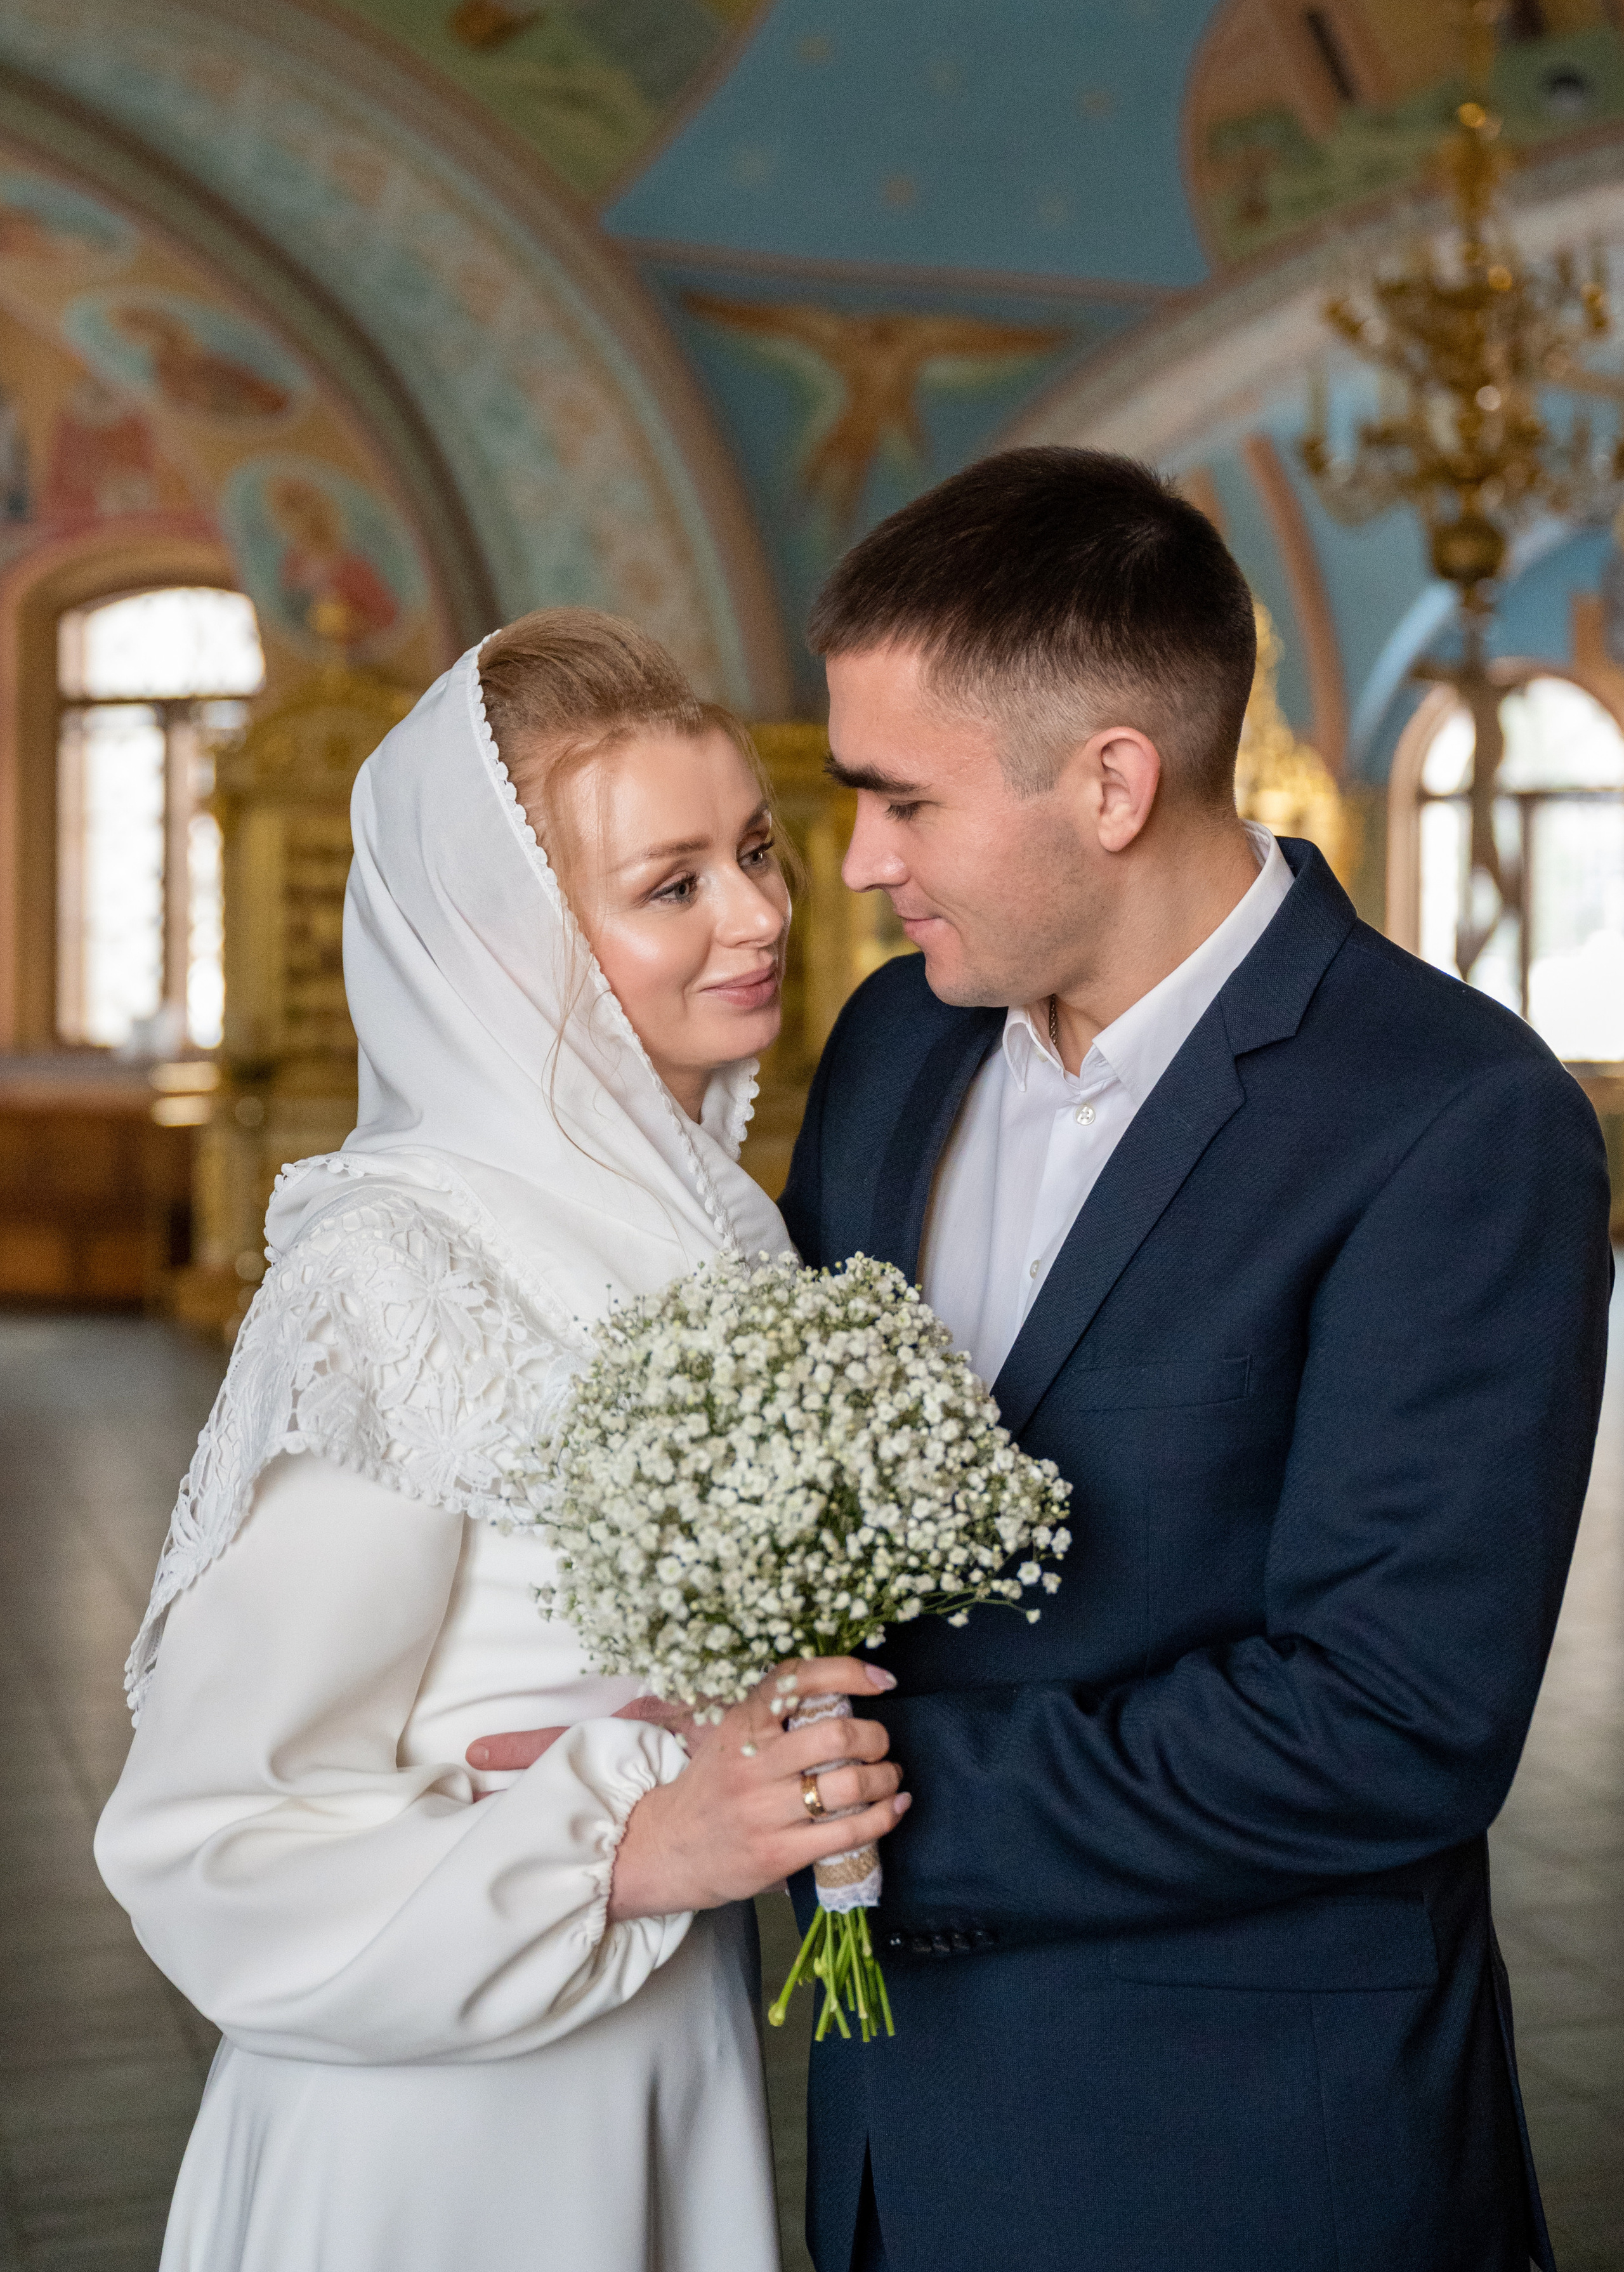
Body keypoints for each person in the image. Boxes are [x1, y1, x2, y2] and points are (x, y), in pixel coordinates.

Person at [775, 448, 1613, 2272]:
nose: (859, 862)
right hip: (888, 2140)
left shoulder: (1457, 1120)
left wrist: (854, 1796)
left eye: (900, 800)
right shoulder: (891, 1051)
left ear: (1114, 780)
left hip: (1242, 2152)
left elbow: (1391, 1725)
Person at [94, 609, 908, 2272]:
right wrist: (632, 1840)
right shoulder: (390, 1270)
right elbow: (212, 1846)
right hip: (437, 2140)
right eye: (672, 884)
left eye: (755, 851)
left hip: (670, 2061)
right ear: (502, 939)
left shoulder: (730, 1234)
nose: (762, 913)